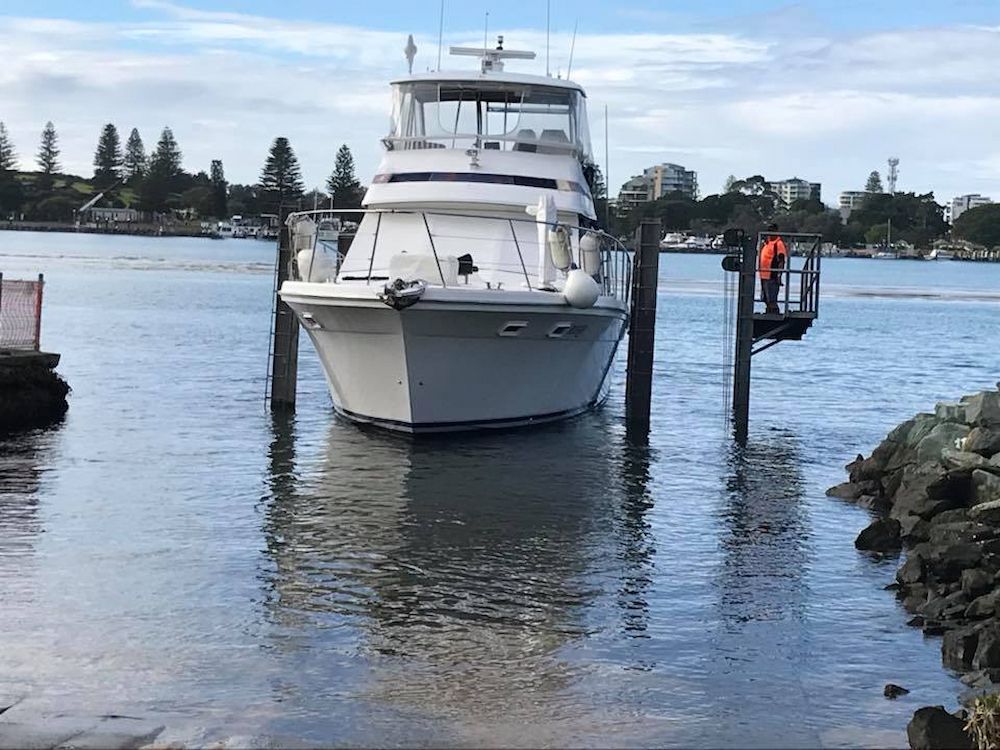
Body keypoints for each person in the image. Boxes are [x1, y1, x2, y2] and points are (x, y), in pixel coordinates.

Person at [759, 224, 787, 314]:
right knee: (765, 298)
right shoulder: (766, 243)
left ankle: (774, 313)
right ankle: (768, 311)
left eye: (772, 231)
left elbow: (781, 260)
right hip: (764, 275)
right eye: (769, 231)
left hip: (772, 275)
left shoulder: (778, 244)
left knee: (772, 299)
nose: (770, 233)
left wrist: (779, 275)